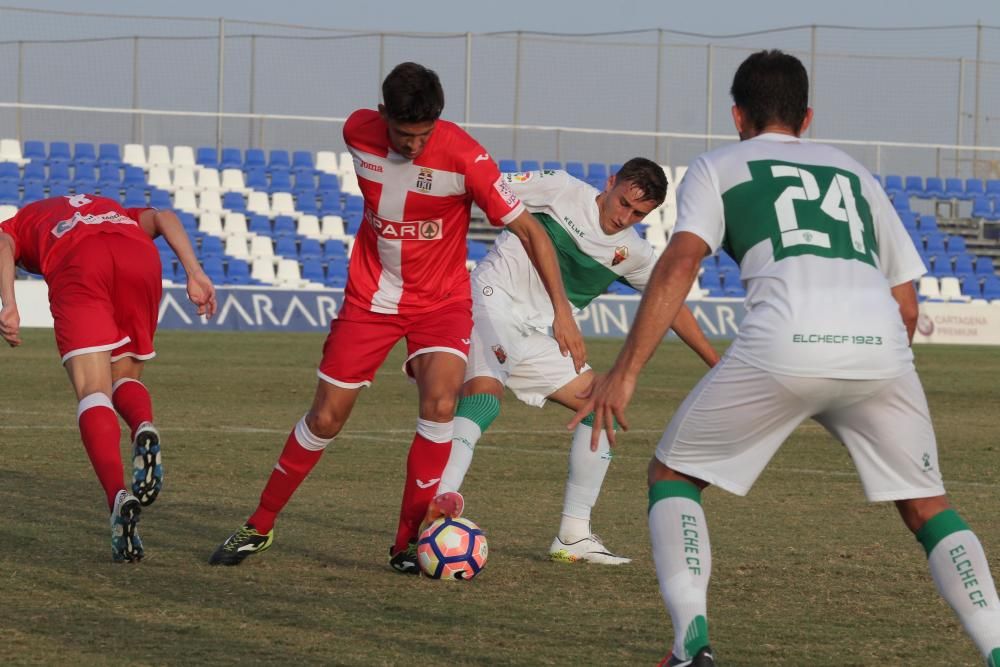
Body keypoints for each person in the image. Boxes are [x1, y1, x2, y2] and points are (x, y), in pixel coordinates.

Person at [572, 50, 1000, 667]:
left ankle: (691, 642)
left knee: (673, 477)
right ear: (807, 117)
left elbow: (680, 261)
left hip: (783, 341)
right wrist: (873, 372)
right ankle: (993, 646)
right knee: (928, 504)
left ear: (738, 115)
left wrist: (627, 373)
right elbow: (907, 304)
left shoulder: (717, 166)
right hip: (880, 347)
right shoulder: (854, 172)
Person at [209, 62, 584, 572]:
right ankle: (259, 524)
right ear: (383, 115)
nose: (413, 145)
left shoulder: (468, 158)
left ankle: (406, 544)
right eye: (404, 135)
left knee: (441, 403)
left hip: (441, 303)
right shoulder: (356, 131)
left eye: (423, 135)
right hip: (370, 301)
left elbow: (533, 233)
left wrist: (562, 311)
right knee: (325, 418)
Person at [436, 158, 719, 565]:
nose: (625, 217)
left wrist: (715, 361)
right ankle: (436, 511)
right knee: (484, 397)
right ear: (610, 183)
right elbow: (485, 186)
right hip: (490, 301)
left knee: (600, 403)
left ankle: (573, 534)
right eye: (623, 202)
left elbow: (670, 304)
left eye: (639, 214)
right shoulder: (559, 187)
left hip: (536, 334)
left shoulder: (634, 253)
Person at [0, 193, 217, 562]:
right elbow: (164, 217)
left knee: (92, 390)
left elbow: (3, 242)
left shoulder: (19, 222)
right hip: (137, 256)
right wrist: (195, 273)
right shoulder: (112, 209)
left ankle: (118, 496)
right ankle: (143, 425)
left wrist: (9, 304)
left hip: (78, 261)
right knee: (124, 377)